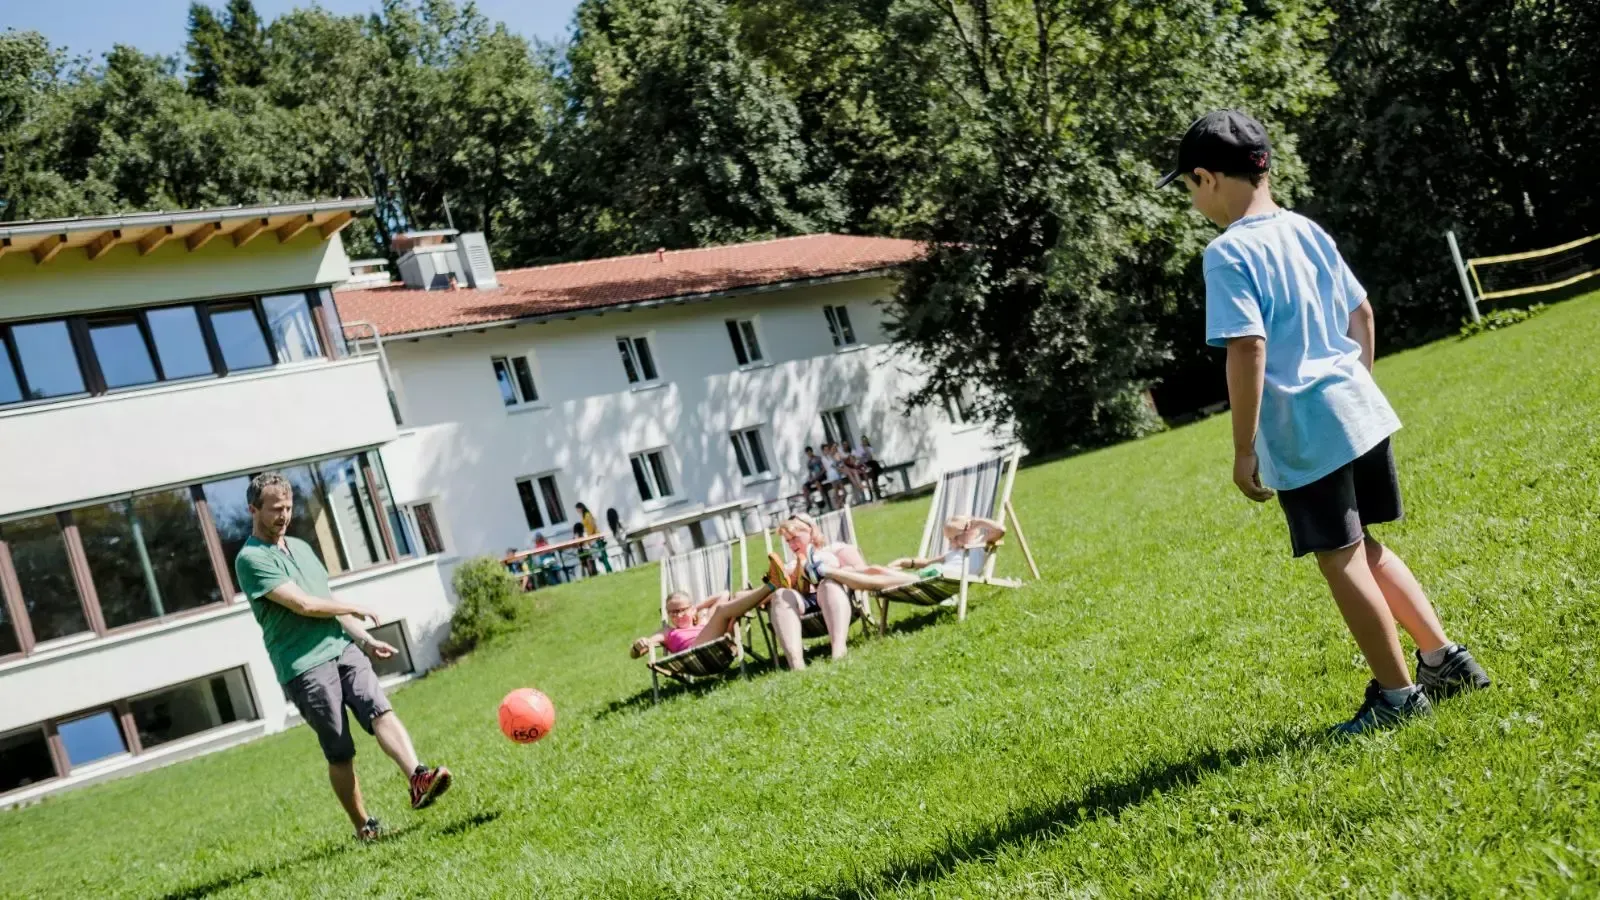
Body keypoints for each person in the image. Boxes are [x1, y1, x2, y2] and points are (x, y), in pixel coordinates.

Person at [1157, 109, 1489, 735]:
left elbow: (1247, 348)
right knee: (1366, 546)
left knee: (1339, 559)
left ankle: (1397, 697)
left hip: (1305, 428)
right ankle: (1444, 660)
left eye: (1189, 186)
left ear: (1206, 178)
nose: (1194, 200)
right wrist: (1355, 382)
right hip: (1357, 411)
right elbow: (1360, 312)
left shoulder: (1226, 254)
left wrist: (1244, 446)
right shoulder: (1306, 229)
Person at [234, 473, 452, 842]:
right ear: (253, 509)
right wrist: (355, 605)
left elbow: (327, 602)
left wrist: (365, 640)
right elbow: (305, 604)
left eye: (287, 508)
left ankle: (418, 776)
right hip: (304, 665)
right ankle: (363, 825)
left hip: (342, 648)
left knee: (378, 708)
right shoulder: (250, 559)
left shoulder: (301, 548)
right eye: (275, 509)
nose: (283, 515)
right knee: (340, 751)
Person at [630, 556, 792, 661]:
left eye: (682, 610)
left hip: (720, 646)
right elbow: (639, 651)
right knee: (722, 610)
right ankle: (773, 586)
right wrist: (639, 644)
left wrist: (696, 609)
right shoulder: (667, 632)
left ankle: (781, 590)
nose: (678, 615)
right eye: (673, 612)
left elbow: (724, 594)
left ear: (692, 609)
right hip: (695, 655)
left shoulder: (705, 620)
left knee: (735, 597)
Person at [798, 515, 1005, 594]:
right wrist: (907, 561)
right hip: (932, 574)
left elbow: (1000, 530)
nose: (953, 543)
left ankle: (826, 570)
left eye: (956, 537)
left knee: (876, 581)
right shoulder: (955, 551)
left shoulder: (980, 545)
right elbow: (931, 561)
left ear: (970, 531)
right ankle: (826, 570)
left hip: (937, 580)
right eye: (950, 539)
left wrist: (978, 522)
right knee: (878, 570)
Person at [765, 515, 866, 666]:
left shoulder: (835, 549)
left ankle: (838, 652)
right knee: (780, 595)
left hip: (837, 597)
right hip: (802, 604)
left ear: (811, 531)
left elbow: (863, 571)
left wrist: (833, 570)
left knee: (827, 584)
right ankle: (796, 665)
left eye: (795, 538)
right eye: (788, 541)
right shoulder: (790, 565)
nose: (792, 545)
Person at [575, 502, 612, 574]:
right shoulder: (584, 516)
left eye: (578, 509)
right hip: (591, 538)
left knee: (602, 555)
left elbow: (592, 525)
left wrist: (591, 536)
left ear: (581, 508)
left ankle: (608, 570)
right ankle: (606, 570)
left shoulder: (587, 515)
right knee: (599, 556)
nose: (578, 511)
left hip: (595, 537)